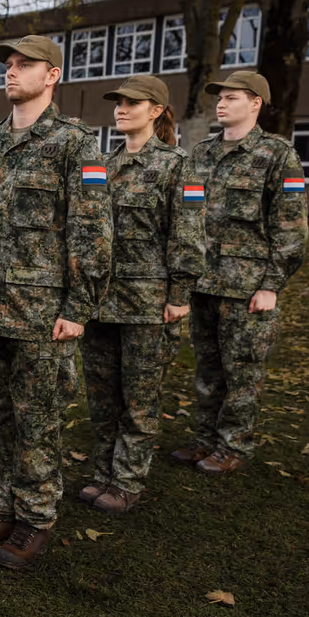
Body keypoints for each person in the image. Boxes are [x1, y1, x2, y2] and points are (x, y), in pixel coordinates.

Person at [0, 35, 112, 570]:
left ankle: (36, 517)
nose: (12, 72)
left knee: (37, 419)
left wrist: (79, 307)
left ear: (53, 75)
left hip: (40, 313)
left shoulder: (75, 143)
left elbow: (92, 230)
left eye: (25, 64)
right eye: (9, 65)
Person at [78, 76, 206, 514]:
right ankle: (104, 473)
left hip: (147, 304)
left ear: (156, 111)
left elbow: (187, 235)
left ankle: (127, 481)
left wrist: (180, 293)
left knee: (139, 398)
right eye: (119, 102)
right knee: (101, 396)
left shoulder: (177, 165)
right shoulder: (102, 164)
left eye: (133, 102)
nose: (121, 108)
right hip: (100, 300)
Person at [174, 71, 308, 475]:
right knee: (207, 369)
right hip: (204, 282)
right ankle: (204, 439)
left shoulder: (278, 155)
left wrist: (271, 285)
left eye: (232, 97)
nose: (221, 103)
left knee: (243, 372)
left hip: (247, 287)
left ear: (255, 103)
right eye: (220, 97)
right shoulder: (201, 153)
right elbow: (189, 216)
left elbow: (291, 227)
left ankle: (233, 445)